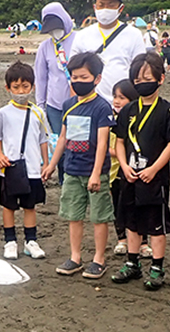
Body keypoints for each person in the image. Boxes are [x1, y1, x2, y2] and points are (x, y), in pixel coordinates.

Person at [42, 52, 115, 279]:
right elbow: (63, 138)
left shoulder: (102, 107)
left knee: (99, 217)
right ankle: (75, 257)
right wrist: (52, 164)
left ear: (97, 79)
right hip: (72, 170)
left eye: (84, 77)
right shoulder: (68, 105)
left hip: (95, 172)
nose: (78, 81)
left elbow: (102, 144)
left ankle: (99, 259)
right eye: (74, 77)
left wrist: (95, 173)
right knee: (74, 215)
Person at [112, 52, 170, 290]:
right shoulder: (128, 110)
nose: (142, 83)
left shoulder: (168, 112)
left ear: (160, 79)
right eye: (137, 80)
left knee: (156, 224)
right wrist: (123, 165)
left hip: (155, 178)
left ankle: (157, 267)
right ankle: (133, 263)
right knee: (131, 221)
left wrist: (153, 169)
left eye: (146, 78)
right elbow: (119, 141)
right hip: (130, 176)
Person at [0, 61, 49, 260]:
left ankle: (31, 241)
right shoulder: (2, 114)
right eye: (16, 87)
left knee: (30, 206)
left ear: (32, 87)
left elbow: (43, 139)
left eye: (25, 87)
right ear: (8, 88)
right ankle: (10, 241)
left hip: (33, 168)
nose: (21, 91)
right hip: (10, 168)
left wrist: (46, 163)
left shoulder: (38, 113)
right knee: (8, 206)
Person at [69, 0, 146, 101]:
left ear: (120, 8)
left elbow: (140, 71)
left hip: (123, 103)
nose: (105, 9)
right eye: (101, 5)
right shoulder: (82, 35)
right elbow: (73, 72)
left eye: (111, 5)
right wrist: (75, 102)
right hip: (90, 102)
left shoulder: (134, 35)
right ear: (95, 7)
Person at [34, 2, 77, 138]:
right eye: (50, 30)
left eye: (56, 27)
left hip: (78, 103)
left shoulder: (80, 40)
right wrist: (40, 105)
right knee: (58, 143)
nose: (54, 32)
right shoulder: (44, 47)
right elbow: (40, 78)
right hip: (54, 107)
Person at [110, 80, 139, 257]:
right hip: (114, 171)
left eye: (122, 97)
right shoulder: (110, 118)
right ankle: (121, 239)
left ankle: (142, 241)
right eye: (115, 96)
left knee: (136, 205)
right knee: (117, 205)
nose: (117, 101)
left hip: (133, 168)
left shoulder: (137, 119)